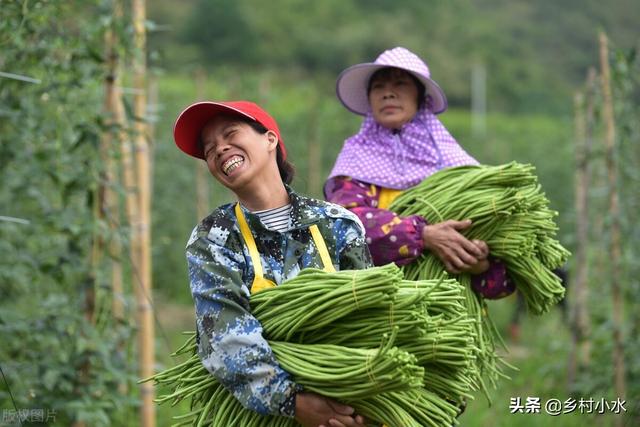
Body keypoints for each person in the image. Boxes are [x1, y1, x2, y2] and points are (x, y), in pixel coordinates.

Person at [173, 100, 370, 427]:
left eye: (230, 134)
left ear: (270, 140)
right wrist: (292, 400)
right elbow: (223, 333)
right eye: (209, 149)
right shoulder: (215, 236)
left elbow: (367, 318)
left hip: (346, 406)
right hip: (263, 414)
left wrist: (353, 398)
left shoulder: (337, 224)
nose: (220, 149)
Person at [325, 47, 514, 298]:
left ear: (420, 98)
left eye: (400, 84)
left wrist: (479, 262)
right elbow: (345, 225)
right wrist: (423, 235)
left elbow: (503, 277)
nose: (388, 93)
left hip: (451, 316)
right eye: (378, 87)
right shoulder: (355, 161)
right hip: (381, 304)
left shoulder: (456, 167)